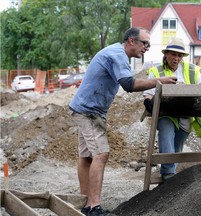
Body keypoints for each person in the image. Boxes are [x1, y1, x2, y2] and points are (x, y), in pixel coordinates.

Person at [69, 27, 177, 216]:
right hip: (89, 112)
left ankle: (86, 205)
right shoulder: (117, 55)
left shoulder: (116, 53)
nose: (147, 48)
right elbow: (129, 84)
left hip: (87, 109)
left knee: (87, 157)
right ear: (131, 41)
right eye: (145, 43)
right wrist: (160, 81)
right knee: (101, 154)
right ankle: (94, 207)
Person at [143, 37, 201, 182]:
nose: (176, 58)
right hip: (166, 113)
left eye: (179, 55)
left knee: (176, 148)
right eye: (173, 54)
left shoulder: (191, 70)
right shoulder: (156, 71)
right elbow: (147, 93)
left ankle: (169, 175)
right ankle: (168, 176)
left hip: (186, 114)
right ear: (166, 54)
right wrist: (148, 101)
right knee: (166, 135)